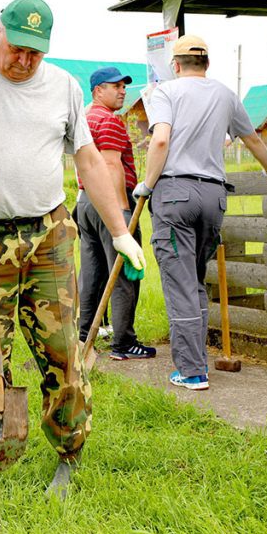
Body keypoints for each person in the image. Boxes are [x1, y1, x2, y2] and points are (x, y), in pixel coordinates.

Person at [0, 0, 145, 500]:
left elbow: (87, 161)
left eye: (35, 52)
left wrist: (119, 230)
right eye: (16, 48)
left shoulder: (63, 87)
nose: (24, 60)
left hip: (48, 237)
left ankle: (69, 455)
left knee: (63, 352)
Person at [134, 34, 267, 391]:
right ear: (207, 64)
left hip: (175, 194)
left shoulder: (166, 92)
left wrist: (147, 184)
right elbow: (253, 139)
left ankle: (192, 371)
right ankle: (195, 359)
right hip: (214, 196)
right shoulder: (226, 94)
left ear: (176, 65)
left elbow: (161, 139)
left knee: (180, 282)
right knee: (195, 280)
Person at [77, 67, 156, 362]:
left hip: (86, 201)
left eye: (124, 86)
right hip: (109, 203)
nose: (123, 91)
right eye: (116, 86)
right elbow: (111, 166)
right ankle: (124, 342)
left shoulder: (85, 118)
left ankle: (83, 336)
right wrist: (122, 212)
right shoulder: (108, 120)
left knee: (92, 272)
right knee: (124, 271)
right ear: (98, 90)